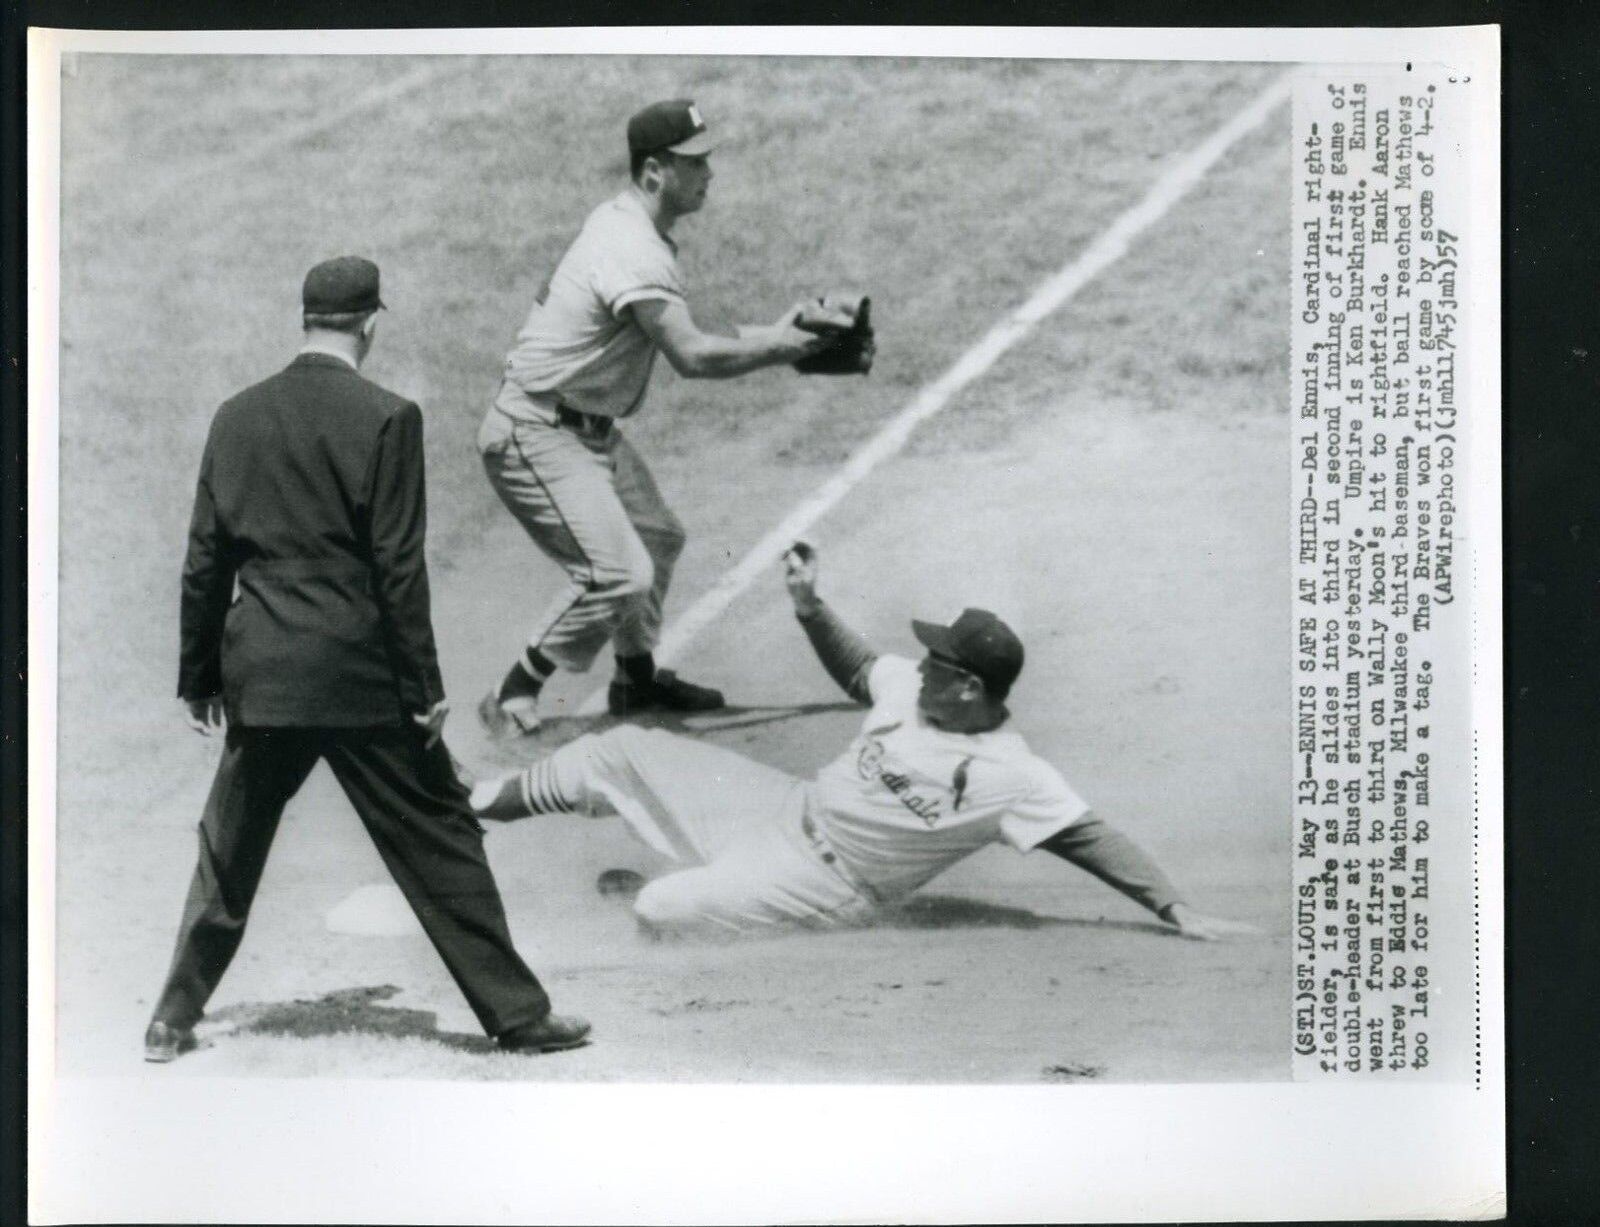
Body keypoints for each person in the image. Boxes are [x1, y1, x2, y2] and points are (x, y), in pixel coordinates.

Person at [146, 257, 588, 1063]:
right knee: (440, 836)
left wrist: (199, 676)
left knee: (228, 850)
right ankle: (519, 1017)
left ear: (305, 318)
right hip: (360, 680)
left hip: (267, 678)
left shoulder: (236, 416)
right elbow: (397, 566)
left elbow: (204, 559)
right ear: (370, 323)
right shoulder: (388, 417)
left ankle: (171, 1018)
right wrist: (425, 687)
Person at [468, 542, 1255, 942]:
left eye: (941, 659)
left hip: (825, 885)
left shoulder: (1013, 776)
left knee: (662, 904)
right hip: (778, 810)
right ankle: (469, 804)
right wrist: (811, 608)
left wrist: (1177, 908)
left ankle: (627, 916)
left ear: (972, 687)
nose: (922, 662)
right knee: (626, 748)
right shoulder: (916, 686)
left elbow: (1092, 837)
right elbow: (857, 668)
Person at [476, 98, 832, 737]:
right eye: (694, 163)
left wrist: (773, 334)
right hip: (534, 431)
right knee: (618, 574)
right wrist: (783, 348)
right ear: (653, 172)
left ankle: (635, 684)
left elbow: (683, 335)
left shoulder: (629, 227)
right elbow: (692, 356)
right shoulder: (630, 246)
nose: (708, 174)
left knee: (657, 538)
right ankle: (513, 690)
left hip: (583, 429)